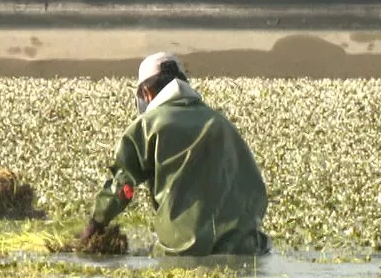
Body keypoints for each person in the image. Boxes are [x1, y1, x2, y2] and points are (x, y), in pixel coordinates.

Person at [78, 53, 269, 257]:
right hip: (241, 247)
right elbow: (255, 189)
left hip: (181, 248)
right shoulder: (220, 123)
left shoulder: (147, 127)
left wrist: (94, 226)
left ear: (147, 92)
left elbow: (123, 188)